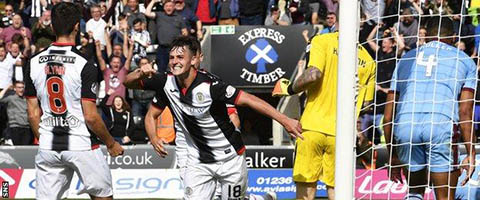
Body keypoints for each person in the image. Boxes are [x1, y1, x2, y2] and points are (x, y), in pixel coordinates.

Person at [124, 36, 301, 199]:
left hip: (230, 158)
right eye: (171, 58)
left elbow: (249, 100)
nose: (174, 62)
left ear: (194, 60)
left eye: (180, 57)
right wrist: (140, 72)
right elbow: (127, 82)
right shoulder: (165, 82)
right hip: (197, 160)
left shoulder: (211, 85)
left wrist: (285, 120)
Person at [23, 2, 124, 199]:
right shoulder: (85, 64)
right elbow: (91, 117)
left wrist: (44, 138)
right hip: (81, 145)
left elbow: (33, 114)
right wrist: (111, 144)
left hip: (48, 145)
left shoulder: (33, 62)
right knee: (103, 195)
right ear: (77, 26)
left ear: (52, 27)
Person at [272, 31, 376, 199]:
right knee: (337, 190)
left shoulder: (322, 40)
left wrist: (289, 89)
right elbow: (367, 105)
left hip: (312, 128)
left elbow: (313, 74)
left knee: (306, 190)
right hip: (342, 134)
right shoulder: (369, 61)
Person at [384, 17, 477, 200]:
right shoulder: (465, 60)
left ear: (426, 36)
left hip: (406, 126)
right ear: (453, 36)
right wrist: (471, 152)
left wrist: (393, 156)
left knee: (414, 193)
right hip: (440, 125)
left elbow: (388, 116)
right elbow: (465, 112)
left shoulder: (406, 59)